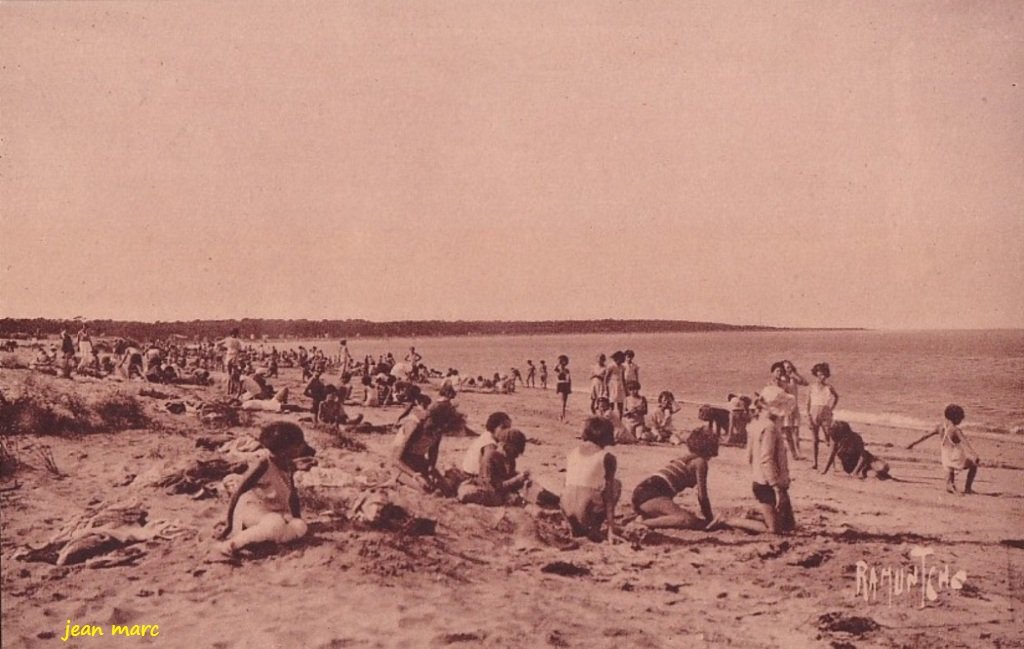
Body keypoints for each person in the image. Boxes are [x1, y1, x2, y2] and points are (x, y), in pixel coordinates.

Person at [215, 422, 317, 557]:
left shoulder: (288, 465)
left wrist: (296, 518)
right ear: (285, 450)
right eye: (299, 444)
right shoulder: (263, 464)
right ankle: (232, 545)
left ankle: (262, 540)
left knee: (300, 526)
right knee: (275, 523)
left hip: (272, 511)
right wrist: (229, 524)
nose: (302, 447)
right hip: (250, 509)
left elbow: (292, 495)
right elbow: (238, 492)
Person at [632, 426, 718, 529]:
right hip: (652, 494)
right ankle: (641, 524)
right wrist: (710, 519)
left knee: (678, 514)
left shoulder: (685, 459)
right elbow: (702, 496)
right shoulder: (700, 462)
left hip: (641, 493)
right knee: (686, 519)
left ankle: (644, 517)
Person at [561, 417, 620, 543]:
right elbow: (609, 495)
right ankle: (594, 528)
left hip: (567, 510)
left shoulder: (573, 452)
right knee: (616, 485)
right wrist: (611, 529)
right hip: (586, 512)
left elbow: (565, 484)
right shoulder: (607, 457)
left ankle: (571, 525)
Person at [746, 386, 796, 534]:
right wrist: (777, 487)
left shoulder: (756, 423)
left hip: (761, 479)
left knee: (788, 525)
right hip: (768, 484)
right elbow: (766, 459)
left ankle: (760, 515)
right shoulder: (770, 428)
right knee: (774, 529)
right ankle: (727, 520)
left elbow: (749, 456)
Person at [391, 401, 466, 494]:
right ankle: (398, 483)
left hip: (419, 460)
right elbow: (396, 459)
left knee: (445, 489)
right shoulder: (414, 426)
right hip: (401, 464)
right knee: (425, 490)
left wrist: (431, 469)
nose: (439, 431)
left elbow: (433, 451)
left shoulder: (438, 428)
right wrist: (415, 475)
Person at [908, 404, 979, 495]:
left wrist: (912, 443)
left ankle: (950, 485)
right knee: (973, 465)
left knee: (950, 469)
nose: (961, 421)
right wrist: (973, 454)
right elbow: (965, 443)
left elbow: (926, 436)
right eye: (960, 419)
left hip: (945, 456)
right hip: (956, 456)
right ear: (956, 418)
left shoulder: (940, 427)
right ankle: (967, 488)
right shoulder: (955, 430)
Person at [457, 429, 531, 506]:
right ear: (505, 446)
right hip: (488, 490)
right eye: (515, 451)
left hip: (498, 491)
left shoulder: (510, 460)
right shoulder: (490, 457)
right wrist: (517, 480)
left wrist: (522, 481)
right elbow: (493, 487)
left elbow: (507, 480)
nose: (516, 456)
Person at [821, 421, 890, 479]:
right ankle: (871, 472)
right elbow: (831, 455)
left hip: (865, 460)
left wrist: (855, 472)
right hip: (850, 465)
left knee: (883, 468)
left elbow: (863, 456)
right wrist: (825, 471)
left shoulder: (856, 438)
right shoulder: (834, 438)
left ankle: (877, 472)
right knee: (873, 475)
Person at [806, 362, 839, 469]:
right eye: (820, 374)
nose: (822, 377)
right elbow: (807, 403)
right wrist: (808, 417)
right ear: (816, 374)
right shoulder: (811, 387)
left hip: (825, 413)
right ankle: (815, 463)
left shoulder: (829, 387)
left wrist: (831, 408)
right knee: (815, 440)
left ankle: (832, 463)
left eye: (824, 375)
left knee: (829, 439)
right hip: (814, 413)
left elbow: (836, 397)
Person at [460, 411, 512, 476]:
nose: (506, 431)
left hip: (470, 472)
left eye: (509, 428)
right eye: (503, 428)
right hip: (473, 475)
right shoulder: (489, 444)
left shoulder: (487, 435)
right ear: (494, 427)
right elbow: (488, 467)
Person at [780, 360, 808, 460]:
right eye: (786, 367)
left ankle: (798, 452)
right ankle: (793, 453)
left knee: (796, 431)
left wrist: (796, 374)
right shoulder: (782, 380)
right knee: (788, 432)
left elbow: (805, 383)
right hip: (786, 407)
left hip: (795, 407)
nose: (788, 369)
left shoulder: (793, 378)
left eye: (790, 367)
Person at [604, 351, 627, 416]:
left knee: (620, 404)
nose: (623, 360)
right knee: (611, 403)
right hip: (612, 386)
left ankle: (620, 418)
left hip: (620, 386)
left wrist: (625, 389)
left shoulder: (622, 367)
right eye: (621, 358)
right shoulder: (611, 366)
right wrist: (606, 389)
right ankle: (610, 417)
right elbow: (606, 379)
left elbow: (623, 378)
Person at [555, 355, 571, 422]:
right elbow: (555, 368)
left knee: (563, 402)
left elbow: (568, 380)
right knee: (563, 402)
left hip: (563, 385)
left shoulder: (565, 370)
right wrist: (559, 363)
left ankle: (562, 416)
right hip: (562, 385)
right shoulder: (561, 370)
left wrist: (559, 381)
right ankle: (562, 416)